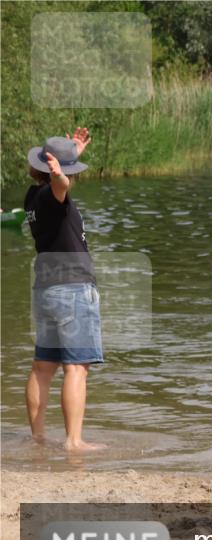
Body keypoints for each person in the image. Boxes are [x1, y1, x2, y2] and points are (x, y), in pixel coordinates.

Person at [23, 128, 106, 451]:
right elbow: (60, 186)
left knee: (43, 367)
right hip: (72, 288)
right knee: (76, 367)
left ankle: (38, 438)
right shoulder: (53, 194)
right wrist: (62, 175)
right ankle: (74, 441)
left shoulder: (31, 196)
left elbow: (55, 181)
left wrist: (71, 153)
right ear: (54, 171)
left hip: (46, 289)